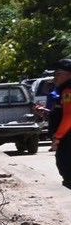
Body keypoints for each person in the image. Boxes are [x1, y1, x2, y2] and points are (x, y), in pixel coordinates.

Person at [44, 59, 71, 189]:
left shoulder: (68, 91)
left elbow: (69, 116)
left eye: (58, 74)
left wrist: (57, 137)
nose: (55, 77)